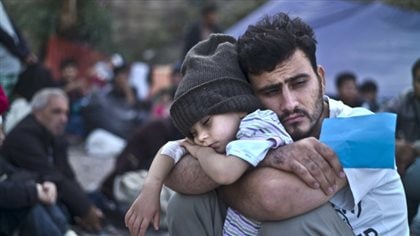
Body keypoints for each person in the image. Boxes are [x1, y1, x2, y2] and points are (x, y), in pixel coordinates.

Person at [165, 13, 408, 235]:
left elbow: (270, 199)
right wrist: (269, 157)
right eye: (271, 91)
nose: (289, 103)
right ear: (252, 97)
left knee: (291, 223)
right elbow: (174, 171)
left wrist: (235, 167)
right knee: (187, 204)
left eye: (299, 83)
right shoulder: (254, 125)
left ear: (321, 79)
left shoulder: (366, 129)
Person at [125, 35, 294, 236]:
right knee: (181, 203)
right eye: (193, 133)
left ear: (238, 106)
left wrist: (199, 152)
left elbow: (226, 173)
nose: (201, 138)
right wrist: (150, 190)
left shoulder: (259, 124)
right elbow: (171, 147)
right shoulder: (218, 136)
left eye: (207, 123)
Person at [0, 88, 104, 233]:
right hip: (18, 205)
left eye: (66, 113)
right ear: (37, 111)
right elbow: (49, 175)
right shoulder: (23, 137)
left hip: (40, 192)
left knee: (96, 198)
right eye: (56, 112)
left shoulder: (52, 133)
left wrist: (87, 206)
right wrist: (85, 209)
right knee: (38, 202)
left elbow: (66, 174)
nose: (64, 119)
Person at [382, 58, 420, 233]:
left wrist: (413, 149)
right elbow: (378, 122)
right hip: (405, 164)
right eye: (419, 81)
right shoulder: (404, 99)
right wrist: (395, 146)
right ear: (413, 82)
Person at [0, 1, 38, 97]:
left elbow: (11, 27)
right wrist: (23, 54)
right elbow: (4, 36)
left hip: (12, 65)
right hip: (5, 67)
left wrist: (25, 51)